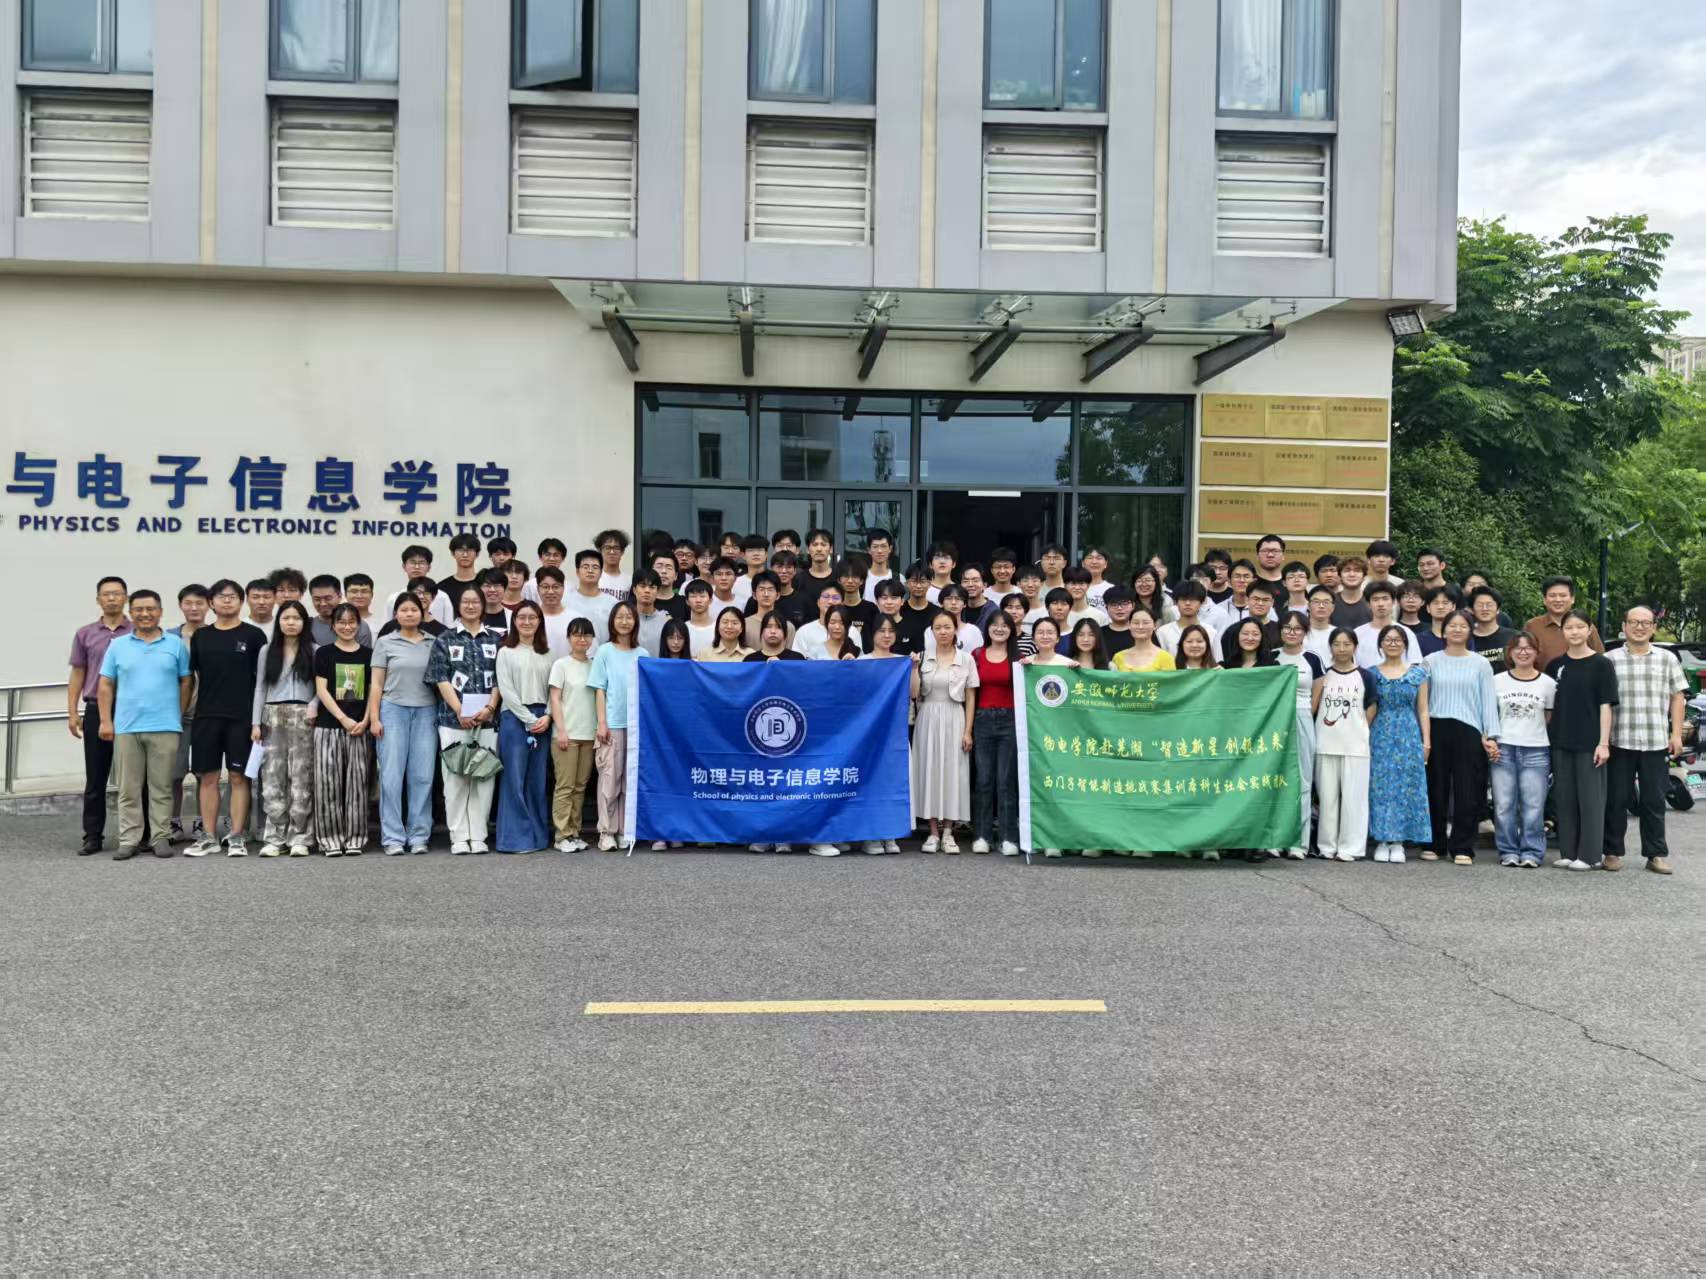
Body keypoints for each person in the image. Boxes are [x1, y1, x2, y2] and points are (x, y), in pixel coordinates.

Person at [96, 590, 191, 860]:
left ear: (160, 612)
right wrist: (105, 720)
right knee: (128, 789)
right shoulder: (118, 645)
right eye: (139, 609)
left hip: (165, 727)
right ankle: (129, 839)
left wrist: (178, 713)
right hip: (127, 727)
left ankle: (160, 837)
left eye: (151, 609)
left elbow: (186, 680)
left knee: (162, 787)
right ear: (131, 612)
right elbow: (105, 683)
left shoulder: (175, 644)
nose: (145, 614)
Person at [1602, 606, 1688, 875]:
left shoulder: (1667, 658)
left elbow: (1677, 697)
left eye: (1645, 623)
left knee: (1654, 801)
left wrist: (1676, 734)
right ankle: (1612, 852)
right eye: (1634, 622)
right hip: (1619, 740)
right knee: (1616, 800)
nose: (1639, 627)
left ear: (1653, 628)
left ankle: (1655, 854)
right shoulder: (1609, 659)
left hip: (1655, 741)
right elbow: (1602, 701)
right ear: (1624, 626)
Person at [189, 580, 268, 857]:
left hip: (241, 718)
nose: (226, 600)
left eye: (232, 596)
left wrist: (257, 720)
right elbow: (195, 676)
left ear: (241, 602)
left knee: (238, 777)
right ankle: (209, 836)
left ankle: (236, 836)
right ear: (211, 602)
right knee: (208, 777)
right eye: (221, 596)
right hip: (206, 716)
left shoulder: (254, 635)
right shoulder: (201, 636)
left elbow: (262, 680)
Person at [428, 584, 503, 855]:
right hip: (453, 720)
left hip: (488, 720)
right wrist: (460, 710)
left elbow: (501, 678)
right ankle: (459, 836)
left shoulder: (496, 640)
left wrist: (490, 708)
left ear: (483, 606)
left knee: (484, 777)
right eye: (465, 602)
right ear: (458, 606)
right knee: (455, 779)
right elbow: (441, 678)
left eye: (475, 602)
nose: (471, 606)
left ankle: (479, 835)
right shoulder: (444, 639)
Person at [1422, 610, 1502, 865]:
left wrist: (1491, 735)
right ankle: (1435, 844)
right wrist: (1423, 735)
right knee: (1436, 788)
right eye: (1452, 625)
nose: (1456, 630)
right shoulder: (1430, 661)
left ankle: (1463, 847)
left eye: (1462, 626)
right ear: (1444, 630)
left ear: (1470, 631)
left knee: (1468, 789)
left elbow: (1488, 701)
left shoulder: (1480, 663)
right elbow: (1423, 702)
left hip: (1469, 730)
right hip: (1436, 726)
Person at [1543, 610, 1618, 872]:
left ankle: (1590, 855)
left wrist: (1603, 743)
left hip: (1590, 742)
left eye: (1579, 627)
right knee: (1564, 798)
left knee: (1590, 799)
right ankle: (1569, 851)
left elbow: (1606, 706)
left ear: (1589, 630)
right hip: (1561, 740)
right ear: (1562, 631)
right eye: (1569, 628)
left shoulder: (1601, 664)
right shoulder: (1555, 665)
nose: (1574, 632)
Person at [369, 595, 438, 855]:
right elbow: (376, 684)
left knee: (422, 776)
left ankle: (419, 835)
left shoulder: (433, 642)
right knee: (391, 776)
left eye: (414, 609)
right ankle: (393, 837)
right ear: (395, 614)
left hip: (426, 711)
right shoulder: (385, 642)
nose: (409, 614)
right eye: (404, 610)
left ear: (422, 613)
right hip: (393, 711)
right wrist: (374, 718)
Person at [69, 575, 133, 855]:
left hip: (131, 708)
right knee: (96, 776)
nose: (112, 598)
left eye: (117, 593)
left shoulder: (138, 631)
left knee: (135, 776)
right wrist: (72, 711)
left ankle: (139, 834)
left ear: (125, 598)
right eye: (106, 594)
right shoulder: (85, 634)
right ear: (98, 599)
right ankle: (93, 836)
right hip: (96, 708)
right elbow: (78, 672)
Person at [251, 600, 318, 857]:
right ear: (278, 621)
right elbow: (260, 687)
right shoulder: (267, 651)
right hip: (272, 716)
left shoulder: (314, 650)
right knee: (272, 777)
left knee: (302, 776)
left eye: (296, 618)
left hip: (304, 716)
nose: (291, 623)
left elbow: (322, 686)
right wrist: (255, 722)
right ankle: (275, 837)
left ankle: (300, 836)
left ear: (304, 623)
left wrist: (314, 705)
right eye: (286, 618)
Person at [910, 612, 979, 854]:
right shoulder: (922, 657)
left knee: (953, 773)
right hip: (927, 718)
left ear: (955, 630)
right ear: (932, 631)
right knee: (929, 772)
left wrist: (968, 731)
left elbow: (971, 697)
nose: (943, 631)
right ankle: (932, 832)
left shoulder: (966, 659)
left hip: (955, 717)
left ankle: (949, 832)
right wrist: (914, 668)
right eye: (938, 627)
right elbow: (914, 693)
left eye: (947, 627)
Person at [1368, 624, 1432, 864]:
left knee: (1406, 786)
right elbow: (1370, 707)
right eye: (1388, 639)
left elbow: (1423, 710)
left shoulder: (1418, 674)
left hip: (1408, 734)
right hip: (1380, 734)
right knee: (1380, 786)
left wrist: (1427, 741)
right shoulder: (1372, 673)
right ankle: (1382, 840)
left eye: (1397, 640)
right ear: (1380, 644)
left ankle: (1399, 842)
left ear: (1405, 644)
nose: (1393, 643)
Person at [1489, 632, 1554, 869]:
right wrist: (1490, 740)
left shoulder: (1548, 684)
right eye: (1518, 648)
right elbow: (1490, 715)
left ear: (1536, 652)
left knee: (1533, 806)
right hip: (1503, 748)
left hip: (1536, 749)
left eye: (1529, 648)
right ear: (1510, 652)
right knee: (1503, 804)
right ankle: (1508, 850)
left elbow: (1548, 716)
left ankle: (1532, 852)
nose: (1523, 652)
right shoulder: (1496, 681)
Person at [311, 602, 372, 857]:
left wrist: (366, 720)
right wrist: (343, 718)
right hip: (328, 727)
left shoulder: (369, 654)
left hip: (360, 728)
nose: (347, 627)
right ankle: (329, 839)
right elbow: (322, 690)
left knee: (357, 784)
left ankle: (355, 838)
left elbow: (373, 691)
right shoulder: (324, 653)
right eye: (341, 622)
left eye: (351, 622)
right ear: (333, 625)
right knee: (327, 784)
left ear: (358, 624)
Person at [494, 602, 555, 854]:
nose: (527, 622)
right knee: (514, 779)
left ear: (540, 621)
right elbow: (506, 690)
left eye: (532, 617)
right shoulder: (506, 652)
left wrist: (548, 715)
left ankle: (538, 837)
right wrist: (528, 719)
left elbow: (554, 689)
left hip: (543, 719)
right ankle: (515, 840)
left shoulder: (548, 653)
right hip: (514, 719)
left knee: (537, 780)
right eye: (522, 617)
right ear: (514, 621)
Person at [1314, 629, 1378, 862]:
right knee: (1327, 799)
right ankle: (1326, 846)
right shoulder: (1323, 675)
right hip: (1325, 743)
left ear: (1355, 647)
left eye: (1347, 644)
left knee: (1354, 800)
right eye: (1337, 644)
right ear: (1330, 647)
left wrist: (1360, 728)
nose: (1342, 649)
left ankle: (1351, 847)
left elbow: (1372, 705)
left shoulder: (1366, 676)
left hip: (1356, 746)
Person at [588, 601, 645, 850]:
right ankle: (606, 831)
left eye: (629, 617)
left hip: (636, 726)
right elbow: (599, 689)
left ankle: (624, 829)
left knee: (629, 782)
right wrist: (602, 723)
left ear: (635, 622)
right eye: (620, 616)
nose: (624, 621)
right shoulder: (604, 651)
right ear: (612, 621)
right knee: (610, 780)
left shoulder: (643, 654)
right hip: (612, 724)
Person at [1273, 611, 1325, 859]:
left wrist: (1303, 717)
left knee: (1303, 780)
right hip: (1274, 722)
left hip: (1303, 717)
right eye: (1287, 627)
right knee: (1276, 779)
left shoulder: (1313, 659)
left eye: (1297, 628)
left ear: (1305, 632)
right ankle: (1274, 839)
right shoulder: (1272, 657)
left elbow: (1316, 697)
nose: (1291, 632)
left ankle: (1299, 842)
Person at [969, 611, 1021, 857]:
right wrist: (967, 729)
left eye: (1005, 625)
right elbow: (970, 692)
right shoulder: (977, 655)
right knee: (983, 780)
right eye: (995, 625)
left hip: (1010, 721)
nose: (999, 629)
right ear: (987, 628)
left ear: (1012, 630)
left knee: (1006, 781)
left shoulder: (1019, 658)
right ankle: (982, 835)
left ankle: (1008, 837)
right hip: (982, 720)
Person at [548, 617, 599, 852]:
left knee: (580, 787)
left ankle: (575, 832)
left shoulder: (595, 665)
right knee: (565, 786)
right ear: (569, 638)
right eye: (577, 634)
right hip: (566, 734)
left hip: (588, 734)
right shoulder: (561, 665)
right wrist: (561, 730)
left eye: (587, 635)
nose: (582, 639)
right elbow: (555, 698)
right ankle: (562, 835)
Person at [166, 583, 209, 845]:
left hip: (207, 717)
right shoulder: (169, 637)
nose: (194, 608)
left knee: (206, 773)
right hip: (176, 717)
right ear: (180, 605)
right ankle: (173, 824)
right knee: (173, 774)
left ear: (209, 605)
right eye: (188, 603)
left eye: (199, 603)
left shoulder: (215, 634)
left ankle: (204, 823)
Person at [1525, 577, 1604, 668]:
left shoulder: (1584, 625)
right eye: (1552, 596)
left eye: (1563, 595)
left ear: (1572, 599)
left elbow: (1600, 658)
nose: (1558, 600)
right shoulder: (1532, 626)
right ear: (1545, 600)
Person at [1355, 583, 1422, 667]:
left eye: (1385, 599)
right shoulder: (1358, 634)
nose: (1380, 604)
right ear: (1368, 604)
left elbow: (1415, 665)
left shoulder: (1406, 632)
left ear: (1393, 602)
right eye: (1375, 599)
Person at [1155, 579, 1217, 654]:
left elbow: (1217, 659)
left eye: (1192, 600)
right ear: (1175, 602)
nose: (1187, 603)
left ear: (1201, 602)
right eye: (1183, 599)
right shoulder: (1163, 632)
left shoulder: (1210, 632)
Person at [433, 533, 483, 626]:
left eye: (469, 550)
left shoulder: (484, 583)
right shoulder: (442, 587)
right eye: (460, 550)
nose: (465, 555)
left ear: (477, 554)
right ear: (453, 553)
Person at [1467, 586, 1521, 672]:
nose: (1485, 609)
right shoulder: (1465, 639)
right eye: (1480, 605)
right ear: (1472, 610)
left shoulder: (1515, 637)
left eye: (1489, 605)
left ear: (1498, 609)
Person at [740, 572, 795, 650]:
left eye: (770, 590)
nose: (766, 594)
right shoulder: (744, 625)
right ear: (754, 595)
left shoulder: (788, 627)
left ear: (777, 595)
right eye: (762, 589)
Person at [898, 563, 942, 654]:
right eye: (914, 581)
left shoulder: (938, 613)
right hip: (904, 661)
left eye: (922, 581)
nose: (918, 586)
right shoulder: (898, 611)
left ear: (929, 584)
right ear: (907, 583)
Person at [1112, 608, 1174, 673]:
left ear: (1155, 625)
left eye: (1146, 623)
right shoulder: (1118, 657)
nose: (1140, 627)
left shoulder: (1166, 658)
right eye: (1136, 623)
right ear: (1129, 625)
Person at [797, 528, 838, 612]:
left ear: (831, 549)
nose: (819, 549)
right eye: (815, 544)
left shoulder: (838, 578)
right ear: (808, 549)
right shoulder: (798, 579)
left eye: (823, 544)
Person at [1416, 584, 1461, 656]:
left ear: (1453, 607)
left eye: (1445, 603)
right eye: (1435, 603)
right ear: (1428, 608)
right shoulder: (1418, 640)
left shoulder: (1463, 637)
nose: (1440, 607)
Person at [938, 585, 984, 651]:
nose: (953, 602)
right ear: (942, 603)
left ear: (964, 604)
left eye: (958, 599)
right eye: (949, 598)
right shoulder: (932, 631)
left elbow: (978, 654)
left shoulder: (973, 631)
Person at [1331, 556, 1372, 630]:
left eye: (1357, 570)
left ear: (1364, 577)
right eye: (1347, 570)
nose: (1352, 574)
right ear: (1340, 576)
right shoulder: (1330, 601)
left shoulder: (1372, 601)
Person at [862, 529, 901, 603]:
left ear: (890, 549)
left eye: (883, 546)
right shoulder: (862, 579)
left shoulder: (899, 578)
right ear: (869, 550)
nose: (879, 551)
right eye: (875, 547)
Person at [594, 528, 631, 602]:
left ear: (622, 551)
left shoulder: (629, 581)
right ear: (600, 551)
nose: (612, 552)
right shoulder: (593, 578)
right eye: (607, 548)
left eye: (616, 548)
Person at [682, 579, 717, 655]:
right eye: (693, 596)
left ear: (710, 600)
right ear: (687, 601)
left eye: (702, 596)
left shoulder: (718, 628)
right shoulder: (682, 628)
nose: (698, 600)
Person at [1100, 586, 1136, 659]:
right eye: (1114, 604)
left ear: (1133, 606)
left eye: (1124, 603)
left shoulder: (1142, 631)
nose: (1119, 608)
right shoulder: (1098, 633)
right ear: (1106, 607)